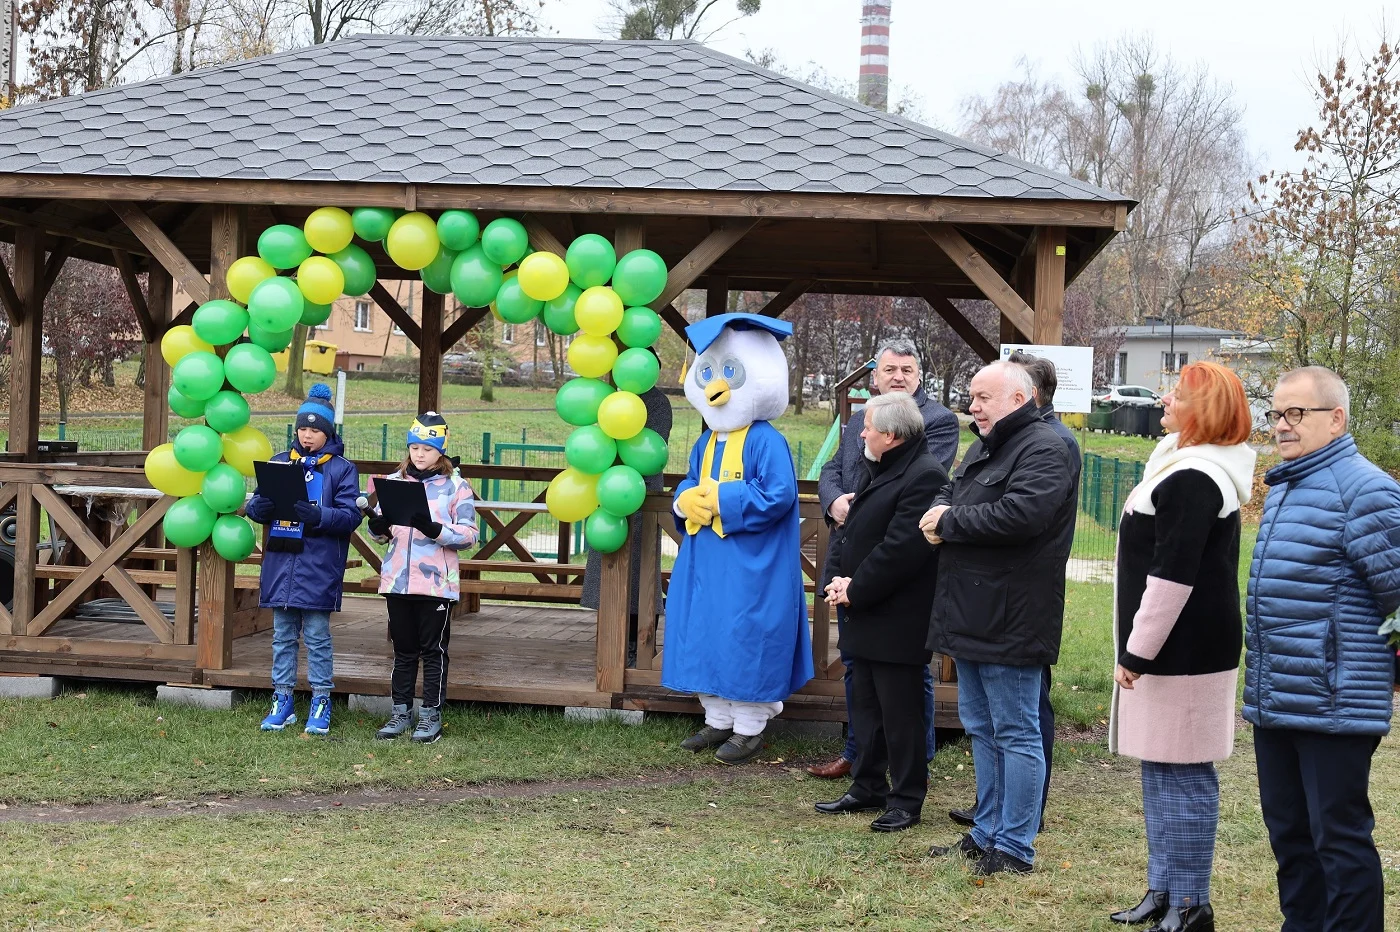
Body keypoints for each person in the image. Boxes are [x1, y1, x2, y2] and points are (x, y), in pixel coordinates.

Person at [1245, 366, 1400, 932]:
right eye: (1276, 414)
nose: (1282, 426)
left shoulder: (1365, 490)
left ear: (1335, 419)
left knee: (1338, 839)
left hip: (1335, 702)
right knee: (1289, 835)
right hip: (1277, 695)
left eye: (1296, 414)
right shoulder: (1290, 485)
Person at [1107, 362, 1255, 932]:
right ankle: (1163, 890)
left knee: (1186, 776)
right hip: (1169, 648)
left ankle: (1192, 904)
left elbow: (1173, 577)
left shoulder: (1197, 476)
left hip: (1186, 653)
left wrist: (1137, 652)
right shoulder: (1179, 463)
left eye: (1178, 391)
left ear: (1204, 409)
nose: (1164, 397)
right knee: (1161, 771)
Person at [921, 360, 1076, 877]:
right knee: (981, 728)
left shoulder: (1047, 447)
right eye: (971, 396)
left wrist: (950, 521)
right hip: (968, 609)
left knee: (1016, 731)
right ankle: (986, 832)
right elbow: (951, 490)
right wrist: (939, 512)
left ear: (1019, 398)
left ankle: (1015, 846)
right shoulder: (983, 443)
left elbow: (1021, 516)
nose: (973, 406)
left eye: (983, 397)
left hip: (1014, 614)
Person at [663, 313, 814, 765]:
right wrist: (684, 501)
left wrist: (719, 498)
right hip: (707, 559)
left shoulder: (766, 439)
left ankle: (750, 726)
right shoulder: (706, 440)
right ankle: (718, 719)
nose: (716, 387)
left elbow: (779, 495)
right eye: (708, 374)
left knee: (747, 635)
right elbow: (689, 482)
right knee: (708, 632)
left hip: (753, 563)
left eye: (729, 373)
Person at [809, 337, 960, 780]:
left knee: (906, 676)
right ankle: (859, 755)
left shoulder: (936, 421)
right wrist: (835, 502)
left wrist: (866, 508)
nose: (898, 377)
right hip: (849, 550)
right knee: (858, 665)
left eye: (907, 371)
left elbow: (920, 483)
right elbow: (834, 468)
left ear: (919, 376)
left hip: (892, 557)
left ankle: (914, 757)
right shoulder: (861, 417)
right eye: (890, 370)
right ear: (875, 376)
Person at [815, 392, 946, 832]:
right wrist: (835, 580)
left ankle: (906, 798)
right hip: (862, 608)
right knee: (867, 706)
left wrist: (857, 587)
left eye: (867, 426)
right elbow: (848, 529)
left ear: (890, 435)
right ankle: (866, 785)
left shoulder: (924, 475)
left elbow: (903, 549)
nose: (861, 434)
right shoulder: (879, 464)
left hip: (897, 616)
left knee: (901, 713)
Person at [245, 383, 361, 736]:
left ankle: (321, 700)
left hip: (318, 566)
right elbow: (259, 502)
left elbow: (351, 516)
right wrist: (257, 508)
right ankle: (282, 699)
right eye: (303, 429)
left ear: (328, 433)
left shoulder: (342, 470)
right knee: (282, 635)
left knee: (316, 636)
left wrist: (320, 516)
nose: (307, 436)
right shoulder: (280, 463)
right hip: (282, 563)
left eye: (315, 430)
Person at [365, 412, 479, 744]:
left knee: (433, 650)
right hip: (398, 580)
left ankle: (431, 716)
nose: (419, 454)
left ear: (440, 452)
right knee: (403, 650)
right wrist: (377, 528)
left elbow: (470, 536)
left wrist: (435, 530)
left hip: (436, 585)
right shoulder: (394, 481)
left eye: (427, 449)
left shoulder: (457, 487)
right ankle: (400, 711)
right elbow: (384, 533)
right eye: (414, 447)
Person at [580, 373, 673, 664]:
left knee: (641, 574)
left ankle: (638, 645)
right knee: (607, 567)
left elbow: (650, 448)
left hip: (641, 496)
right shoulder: (612, 399)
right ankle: (610, 645)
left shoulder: (657, 402)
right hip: (610, 494)